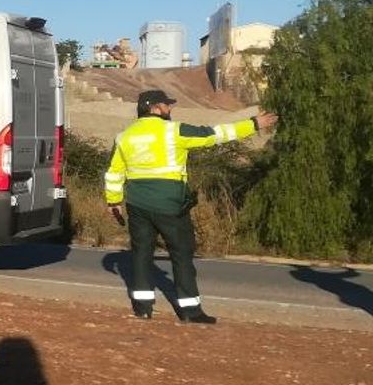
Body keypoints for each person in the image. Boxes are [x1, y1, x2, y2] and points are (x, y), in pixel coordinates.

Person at [104, 89, 277, 323]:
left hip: (137, 204)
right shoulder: (174, 131)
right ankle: (190, 310)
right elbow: (214, 134)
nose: (170, 109)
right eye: (167, 105)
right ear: (154, 108)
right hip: (169, 204)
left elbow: (114, 172)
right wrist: (253, 124)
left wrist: (113, 201)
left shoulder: (124, 136)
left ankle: (142, 307)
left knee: (142, 254)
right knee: (181, 254)